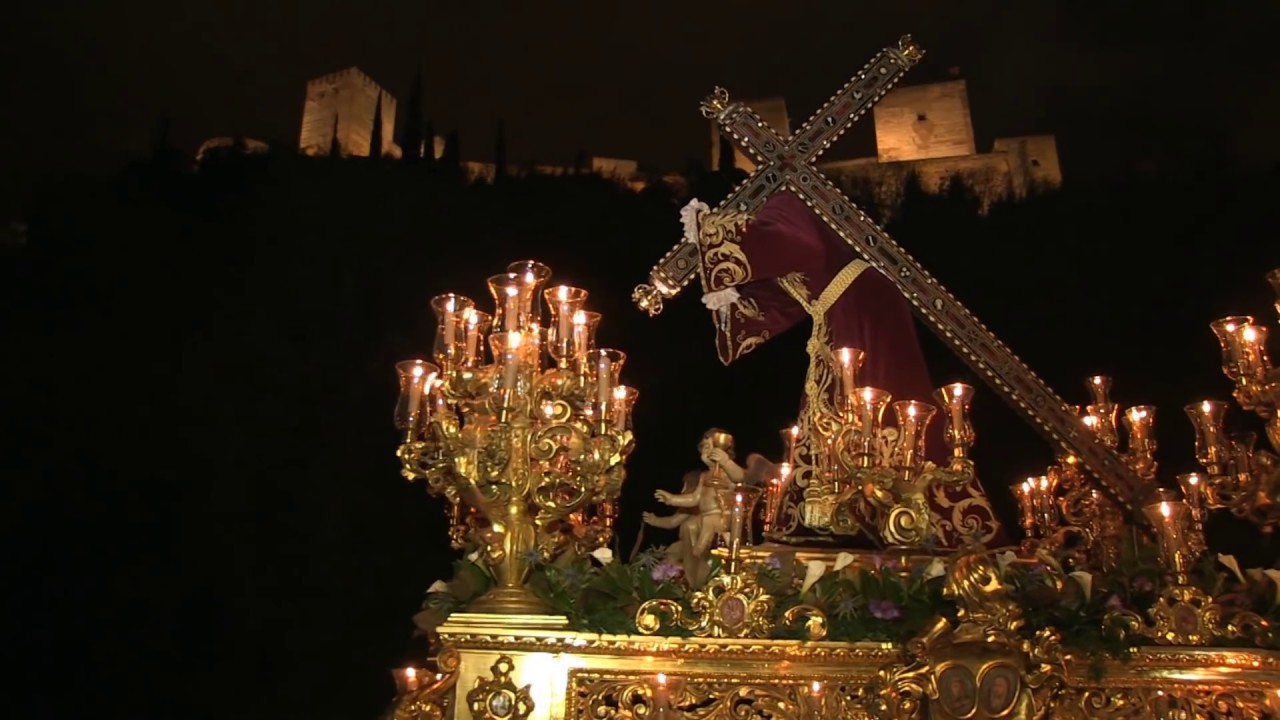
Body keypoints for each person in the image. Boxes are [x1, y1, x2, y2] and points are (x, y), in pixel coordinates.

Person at [686, 191, 1005, 547]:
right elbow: (778, 303)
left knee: (868, 400)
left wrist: (715, 235)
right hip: (839, 312)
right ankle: (843, 504)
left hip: (860, 305)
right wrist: (728, 301)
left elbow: (795, 245)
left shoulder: (787, 204)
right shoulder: (781, 240)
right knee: (832, 413)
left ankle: (886, 497)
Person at [643, 429, 770, 586]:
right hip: (704, 517)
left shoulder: (728, 473)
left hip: (724, 517)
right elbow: (694, 498)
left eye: (711, 447)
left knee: (709, 521)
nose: (707, 451)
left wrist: (725, 462)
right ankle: (691, 573)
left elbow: (740, 477)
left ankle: (699, 549)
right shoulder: (704, 476)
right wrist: (672, 499)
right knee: (689, 525)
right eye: (704, 447)